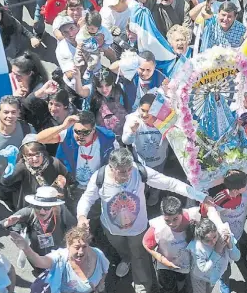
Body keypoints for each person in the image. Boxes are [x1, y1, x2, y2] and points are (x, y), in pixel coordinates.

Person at [76, 148, 212, 292]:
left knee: (140, 256)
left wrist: (201, 197)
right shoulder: (100, 177)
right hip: (111, 229)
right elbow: (87, 198)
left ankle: (143, 287)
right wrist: (81, 216)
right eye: (122, 171)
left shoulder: (140, 172)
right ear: (111, 168)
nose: (127, 174)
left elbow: (170, 183)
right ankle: (126, 259)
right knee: (122, 250)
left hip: (137, 230)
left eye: (129, 169)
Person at [35, 111, 116, 205]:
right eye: (77, 131)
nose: (80, 136)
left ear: (94, 129)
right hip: (71, 185)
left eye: (85, 132)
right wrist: (63, 126)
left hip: (95, 188)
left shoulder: (107, 138)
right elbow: (40, 139)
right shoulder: (68, 134)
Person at [10, 225, 109, 293]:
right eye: (76, 247)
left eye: (84, 246)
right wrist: (26, 249)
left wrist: (101, 284)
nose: (81, 252)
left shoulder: (98, 254)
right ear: (68, 245)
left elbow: (105, 271)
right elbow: (39, 262)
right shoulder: (60, 257)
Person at [2, 187, 77, 262]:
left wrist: (69, 245)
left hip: (59, 255)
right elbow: (0, 226)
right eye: (38, 207)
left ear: (53, 206)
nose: (42, 212)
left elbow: (73, 226)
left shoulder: (61, 210)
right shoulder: (28, 212)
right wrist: (7, 224)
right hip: (37, 257)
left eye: (46, 208)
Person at [142, 196, 201, 293]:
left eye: (175, 219)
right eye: (167, 220)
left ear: (181, 213)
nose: (172, 224)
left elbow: (206, 210)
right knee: (167, 288)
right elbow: (146, 244)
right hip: (165, 266)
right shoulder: (157, 227)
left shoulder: (192, 217)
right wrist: (162, 260)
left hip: (185, 264)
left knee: (182, 281)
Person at [122, 93, 170, 205]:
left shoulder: (165, 119)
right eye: (142, 110)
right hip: (141, 162)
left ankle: (154, 197)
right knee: (141, 183)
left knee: (157, 181)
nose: (144, 114)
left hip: (159, 160)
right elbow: (126, 141)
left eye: (148, 111)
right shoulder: (133, 119)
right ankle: (142, 198)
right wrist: (132, 131)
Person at [1, 137, 70, 210]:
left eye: (37, 154)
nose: (34, 159)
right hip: (30, 208)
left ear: (43, 153)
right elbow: (5, 182)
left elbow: (68, 178)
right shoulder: (22, 166)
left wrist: (61, 184)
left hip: (53, 205)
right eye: (30, 155)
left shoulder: (55, 163)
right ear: (24, 156)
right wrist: (10, 166)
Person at [187, 218, 240, 293]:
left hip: (214, 275)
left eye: (215, 236)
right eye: (208, 240)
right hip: (200, 277)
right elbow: (203, 269)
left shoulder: (224, 235)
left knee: (209, 291)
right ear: (200, 239)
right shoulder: (197, 247)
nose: (214, 242)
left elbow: (237, 257)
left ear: (217, 230)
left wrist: (230, 244)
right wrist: (217, 251)